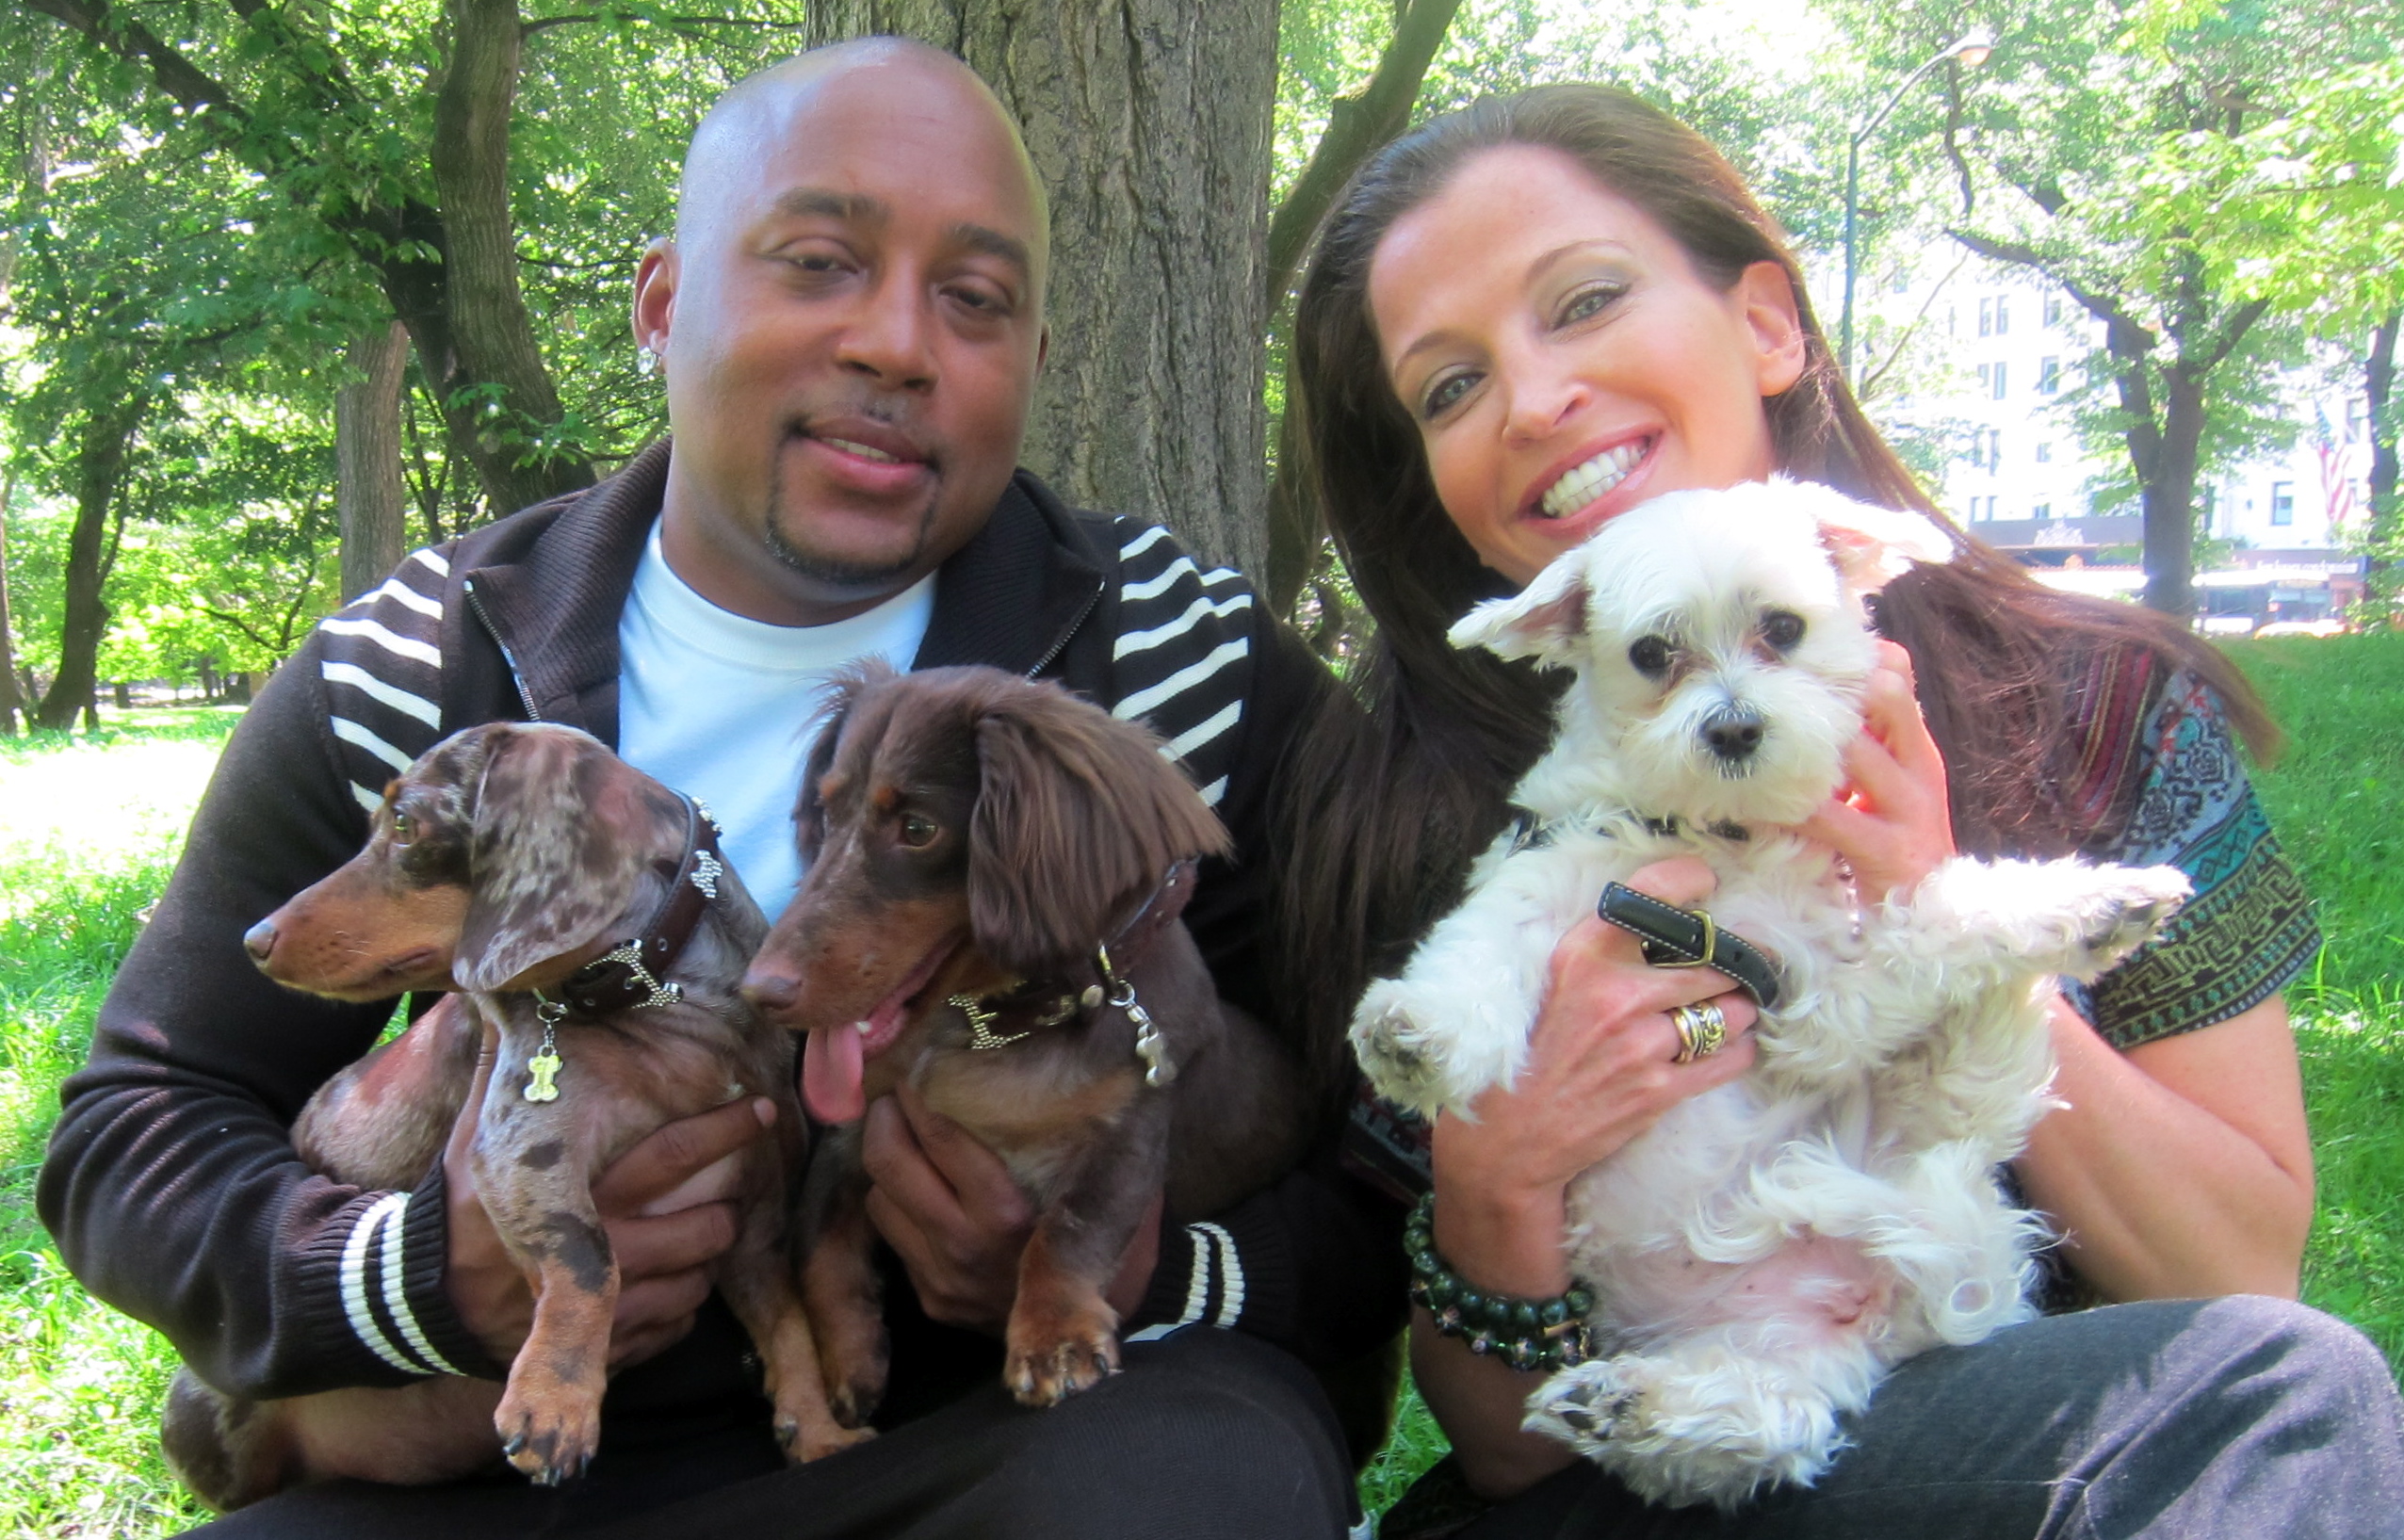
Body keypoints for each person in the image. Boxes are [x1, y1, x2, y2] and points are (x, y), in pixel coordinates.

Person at [40, 41, 1401, 1539]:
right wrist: (426, 1277)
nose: (897, 343)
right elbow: (131, 1130)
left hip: (1003, 1457)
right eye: (819, 262)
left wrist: (1152, 1274)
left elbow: (1406, 1134)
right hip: (512, 1470)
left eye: (976, 299)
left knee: (1192, 1490)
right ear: (662, 300)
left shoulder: (1177, 663)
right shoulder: (414, 669)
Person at [1277, 84, 2404, 1538]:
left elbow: (2236, 1275)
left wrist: (1951, 927)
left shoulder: (2099, 707)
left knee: (2286, 1393)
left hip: (2037, 1442)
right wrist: (1497, 1183)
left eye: (1586, 300)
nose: (1532, 399)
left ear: (1764, 323)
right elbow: (1509, 1461)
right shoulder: (1405, 811)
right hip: (1628, 1490)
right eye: (1448, 385)